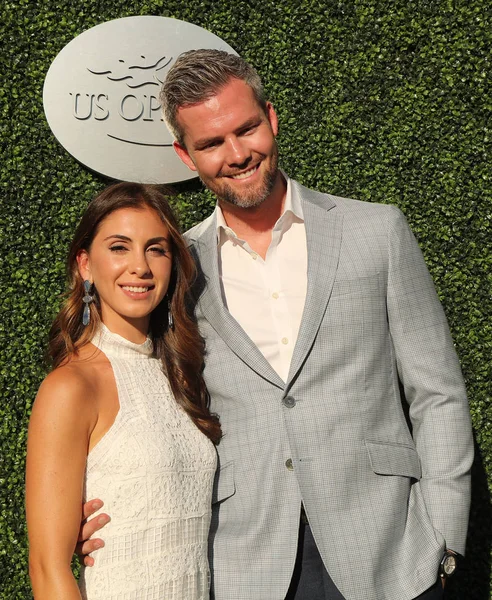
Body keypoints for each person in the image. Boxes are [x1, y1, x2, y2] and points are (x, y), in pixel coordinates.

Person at [78, 51, 474, 600]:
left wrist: (445, 536)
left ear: (272, 118)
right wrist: (97, 502)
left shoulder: (375, 231)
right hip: (247, 561)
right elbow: (139, 391)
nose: (236, 154)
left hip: (390, 550)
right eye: (212, 143)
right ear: (184, 154)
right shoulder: (178, 264)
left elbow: (438, 393)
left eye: (247, 129)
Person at [26, 182, 221, 600]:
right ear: (85, 265)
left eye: (156, 249)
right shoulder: (71, 386)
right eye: (119, 247)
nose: (140, 267)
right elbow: (48, 569)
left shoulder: (180, 373)